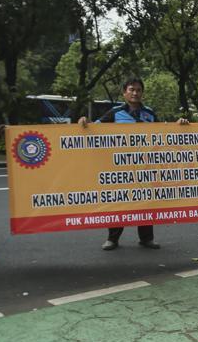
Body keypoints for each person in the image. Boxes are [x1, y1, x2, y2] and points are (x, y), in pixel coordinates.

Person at [79, 77, 188, 250]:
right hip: (121, 168)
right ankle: (112, 239)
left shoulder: (150, 113)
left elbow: (164, 131)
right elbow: (95, 128)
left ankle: (146, 238)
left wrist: (179, 124)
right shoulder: (114, 113)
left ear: (142, 93)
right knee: (119, 202)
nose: (135, 93)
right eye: (131, 89)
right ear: (124, 92)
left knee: (146, 202)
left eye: (138, 90)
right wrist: (84, 123)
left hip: (145, 167)